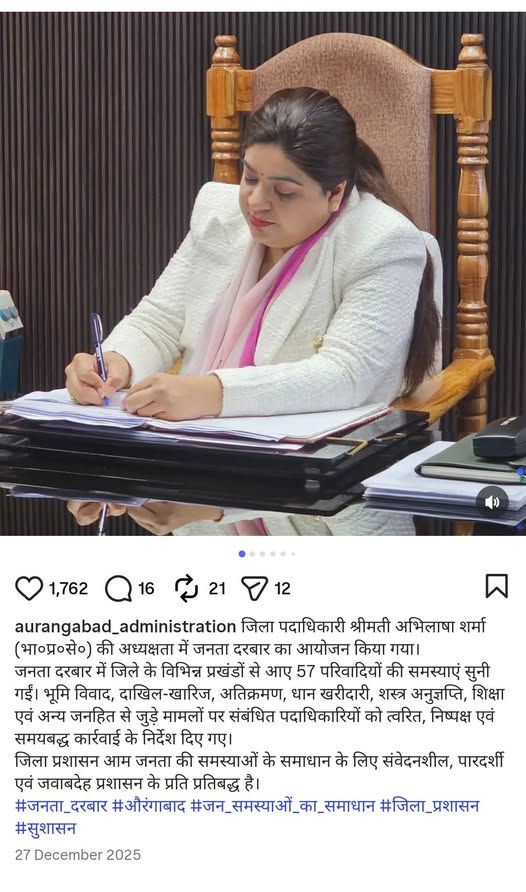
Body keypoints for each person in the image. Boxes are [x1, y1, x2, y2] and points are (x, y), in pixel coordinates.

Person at [65, 86, 441, 423]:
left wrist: (213, 393)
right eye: (249, 178)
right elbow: (159, 323)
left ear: (335, 193)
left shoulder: (382, 240)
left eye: (284, 192)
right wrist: (115, 363)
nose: (256, 203)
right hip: (189, 440)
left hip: (315, 460)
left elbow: (348, 375)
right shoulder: (219, 213)